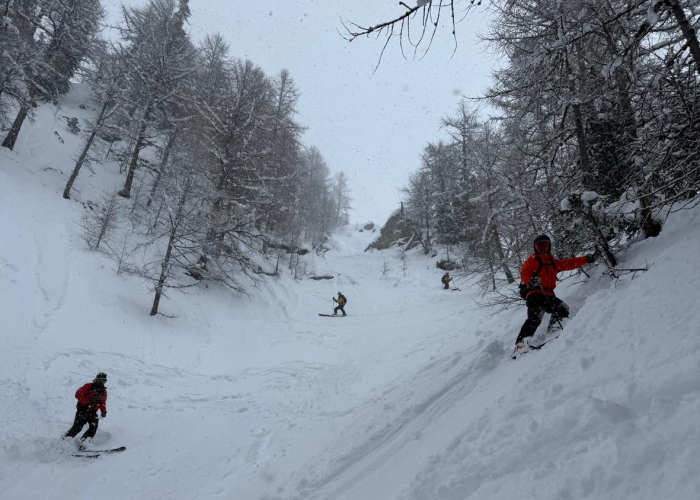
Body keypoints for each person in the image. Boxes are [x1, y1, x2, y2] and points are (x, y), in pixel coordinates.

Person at [513, 235, 595, 356]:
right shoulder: (532, 260)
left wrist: (586, 259)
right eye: (539, 246)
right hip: (535, 293)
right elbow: (524, 273)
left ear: (549, 246)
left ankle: (554, 329)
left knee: (561, 308)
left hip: (547, 294)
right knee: (535, 317)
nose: (542, 249)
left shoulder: (552, 262)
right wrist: (530, 280)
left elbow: (570, 263)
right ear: (535, 248)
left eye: (545, 246)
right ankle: (520, 345)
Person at [63, 373, 108, 448]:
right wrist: (87, 402)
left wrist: (103, 412)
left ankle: (83, 442)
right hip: (82, 409)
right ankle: (64, 441)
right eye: (101, 381)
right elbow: (77, 394)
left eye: (104, 381)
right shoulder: (88, 386)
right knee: (78, 427)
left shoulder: (103, 391)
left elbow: (102, 403)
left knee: (93, 427)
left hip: (93, 411)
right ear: (97, 379)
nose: (102, 383)